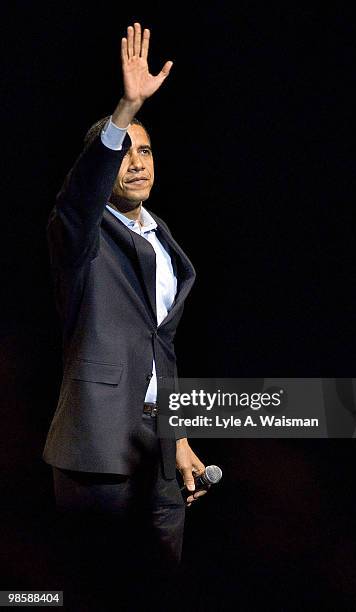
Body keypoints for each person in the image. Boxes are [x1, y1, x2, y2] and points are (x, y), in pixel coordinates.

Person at [42, 21, 206, 608]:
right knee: (97, 589)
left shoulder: (163, 239)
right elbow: (78, 195)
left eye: (145, 149)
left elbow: (160, 349)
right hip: (99, 444)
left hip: (158, 444)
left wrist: (179, 430)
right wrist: (126, 108)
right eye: (123, 152)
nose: (136, 163)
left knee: (163, 585)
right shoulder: (81, 234)